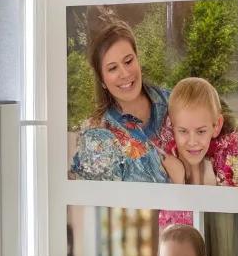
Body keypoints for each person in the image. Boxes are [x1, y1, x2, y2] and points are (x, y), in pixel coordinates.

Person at [69, 19, 175, 183]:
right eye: (112, 68)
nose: (125, 73)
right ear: (102, 80)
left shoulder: (174, 102)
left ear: (138, 60)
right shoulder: (97, 139)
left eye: (128, 61)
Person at [162, 77, 238, 187]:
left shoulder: (229, 166)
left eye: (201, 131)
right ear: (170, 125)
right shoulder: (160, 169)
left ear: (217, 126)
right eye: (183, 131)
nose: (192, 142)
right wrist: (178, 180)